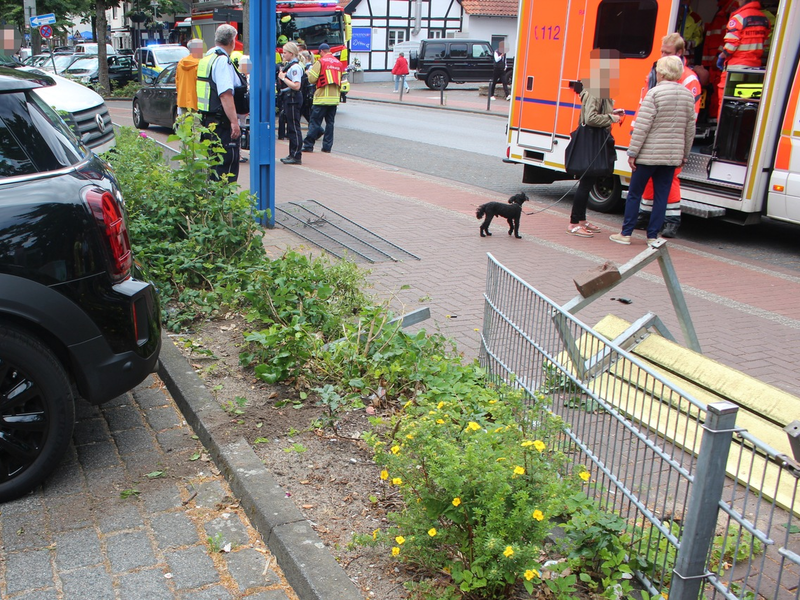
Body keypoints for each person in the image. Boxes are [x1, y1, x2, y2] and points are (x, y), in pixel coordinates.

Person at [610, 56, 696, 246]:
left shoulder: (654, 94)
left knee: (634, 193)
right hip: (671, 157)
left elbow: (642, 126)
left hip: (648, 155)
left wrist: (633, 152)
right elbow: (690, 129)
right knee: (661, 196)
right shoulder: (687, 95)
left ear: (663, 72)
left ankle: (626, 233)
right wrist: (684, 155)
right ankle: (653, 236)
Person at [635, 34, 702, 238]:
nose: (662, 55)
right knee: (648, 179)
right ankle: (645, 214)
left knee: (670, 179)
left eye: (667, 52)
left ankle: (672, 220)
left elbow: (690, 117)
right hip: (654, 135)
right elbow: (644, 102)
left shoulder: (689, 79)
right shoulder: (656, 72)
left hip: (672, 137)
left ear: (680, 53)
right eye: (662, 51)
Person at [567, 49, 624, 238]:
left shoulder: (601, 87)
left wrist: (613, 113)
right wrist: (612, 118)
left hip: (594, 139)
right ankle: (574, 222)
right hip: (591, 140)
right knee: (585, 182)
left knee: (588, 181)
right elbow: (591, 118)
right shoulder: (596, 89)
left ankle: (581, 220)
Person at [196, 24, 248, 182]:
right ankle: (223, 205)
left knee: (213, 166)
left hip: (209, 121)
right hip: (222, 124)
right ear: (233, 41)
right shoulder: (222, 61)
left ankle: (213, 202)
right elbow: (225, 94)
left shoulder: (207, 59)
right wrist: (234, 122)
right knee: (226, 169)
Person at [716, 0, 770, 119]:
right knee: (747, 102)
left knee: (725, 101)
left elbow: (731, 45)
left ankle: (722, 131)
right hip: (755, 67)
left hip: (736, 67)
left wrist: (721, 56)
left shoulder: (739, 18)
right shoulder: (764, 19)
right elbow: (765, 44)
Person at [302, 43, 343, 154]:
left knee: (315, 122)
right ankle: (327, 147)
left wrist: (308, 73)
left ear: (321, 52)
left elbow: (312, 79)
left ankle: (308, 145)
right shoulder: (338, 63)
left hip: (321, 98)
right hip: (334, 99)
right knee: (330, 124)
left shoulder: (320, 62)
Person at [278, 42, 306, 165]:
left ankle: (296, 155)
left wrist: (283, 78)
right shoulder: (291, 66)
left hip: (293, 98)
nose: (283, 55)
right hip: (289, 98)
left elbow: (296, 85)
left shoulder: (294, 68)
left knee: (294, 127)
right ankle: (292, 153)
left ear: (291, 53)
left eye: (285, 52)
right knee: (291, 127)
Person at [176, 39, 204, 114]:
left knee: (184, 124)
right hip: (196, 102)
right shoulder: (200, 65)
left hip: (182, 101)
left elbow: (177, 82)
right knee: (195, 124)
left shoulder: (180, 63)